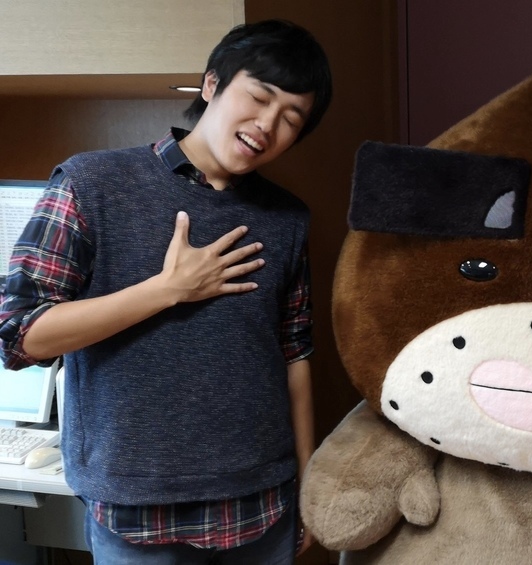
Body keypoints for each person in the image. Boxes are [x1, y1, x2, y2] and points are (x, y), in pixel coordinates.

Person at [0, 19, 332, 564]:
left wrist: (307, 480)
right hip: (136, 511)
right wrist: (167, 289)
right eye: (258, 97)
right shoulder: (92, 183)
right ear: (212, 84)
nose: (267, 124)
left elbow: (294, 355)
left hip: (261, 506)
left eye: (291, 118)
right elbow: (19, 336)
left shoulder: (287, 218)